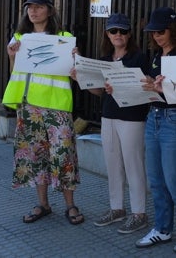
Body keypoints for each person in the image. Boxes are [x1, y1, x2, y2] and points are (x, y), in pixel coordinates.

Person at [2, 0, 84, 225]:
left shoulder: (65, 37)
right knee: (36, 155)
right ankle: (43, 204)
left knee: (63, 155)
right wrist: (11, 56)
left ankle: (70, 205)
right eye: (29, 7)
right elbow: (15, 71)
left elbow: (77, 72)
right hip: (29, 106)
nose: (33, 11)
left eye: (38, 7)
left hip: (57, 106)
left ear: (50, 10)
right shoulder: (19, 38)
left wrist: (77, 60)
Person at [69, 13, 150, 234]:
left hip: (132, 117)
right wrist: (80, 80)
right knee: (112, 164)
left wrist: (122, 87)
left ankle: (139, 213)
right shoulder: (104, 60)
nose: (118, 35)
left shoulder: (139, 59)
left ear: (129, 34)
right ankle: (117, 208)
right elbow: (99, 91)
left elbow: (145, 89)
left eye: (123, 31)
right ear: (107, 33)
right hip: (109, 115)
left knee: (133, 164)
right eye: (114, 31)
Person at [135, 7, 176, 253]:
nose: (156, 36)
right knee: (156, 178)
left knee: (175, 179)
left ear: (173, 30)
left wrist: (166, 89)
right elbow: (155, 88)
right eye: (153, 32)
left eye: (160, 31)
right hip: (154, 116)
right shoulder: (155, 57)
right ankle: (163, 229)